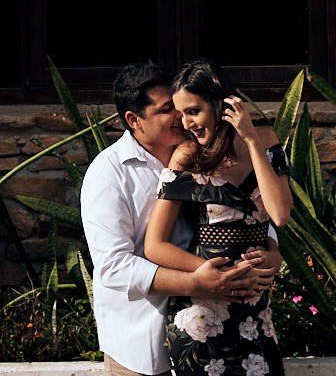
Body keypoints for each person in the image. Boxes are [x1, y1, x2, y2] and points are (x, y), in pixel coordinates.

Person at [80, 61, 280, 376]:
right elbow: (114, 267)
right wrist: (197, 282)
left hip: (217, 330)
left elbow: (243, 210)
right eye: (165, 110)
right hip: (142, 348)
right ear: (134, 119)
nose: (179, 117)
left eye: (181, 108)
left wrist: (270, 248)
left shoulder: (200, 152)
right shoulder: (109, 174)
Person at [144, 60, 292, 376]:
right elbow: (154, 246)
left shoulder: (266, 140)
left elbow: (279, 215)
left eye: (193, 111)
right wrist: (214, 274)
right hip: (203, 317)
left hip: (256, 315)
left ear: (220, 104)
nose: (186, 123)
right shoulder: (187, 156)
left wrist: (251, 140)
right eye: (180, 113)